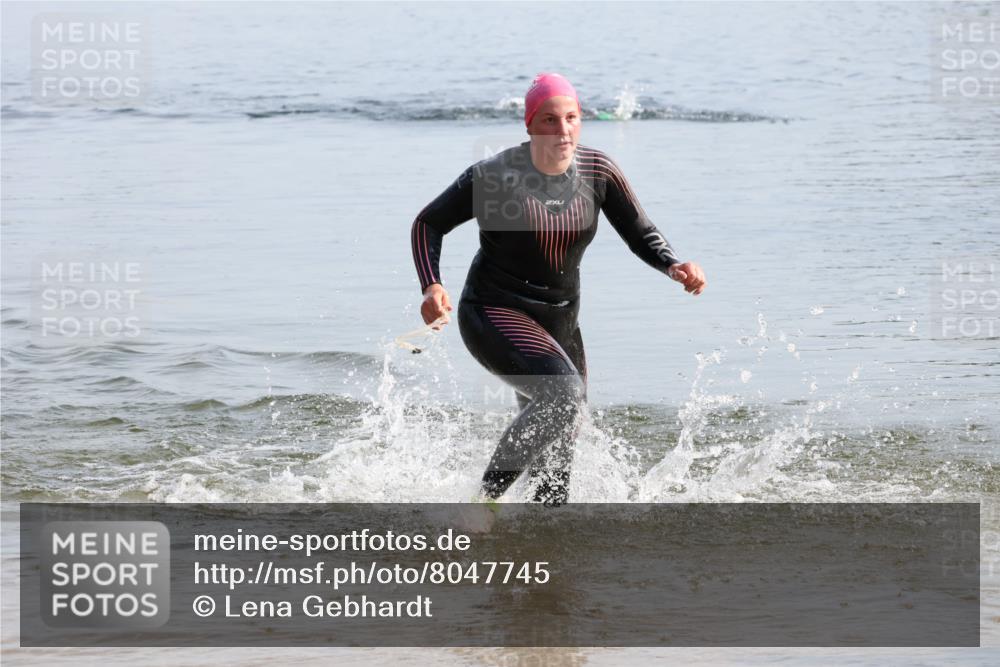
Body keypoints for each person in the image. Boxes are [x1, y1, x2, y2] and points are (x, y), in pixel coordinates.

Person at [410, 73, 706, 506]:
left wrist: (673, 264)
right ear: (530, 125)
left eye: (571, 118)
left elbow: (639, 231)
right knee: (562, 397)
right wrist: (431, 285)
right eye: (549, 119)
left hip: (561, 321)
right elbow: (428, 223)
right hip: (494, 312)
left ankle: (543, 545)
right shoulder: (495, 176)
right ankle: (481, 504)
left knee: (559, 456)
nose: (563, 130)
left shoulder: (597, 171)